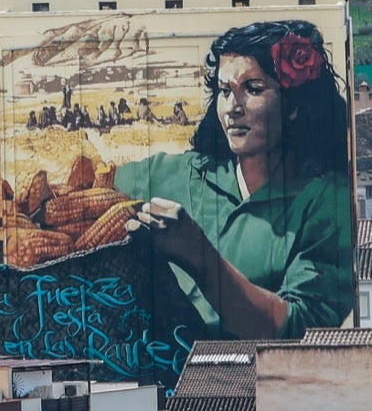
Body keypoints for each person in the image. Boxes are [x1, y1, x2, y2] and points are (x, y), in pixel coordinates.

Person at [114, 20, 352, 341]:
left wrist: (200, 257)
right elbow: (95, 188)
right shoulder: (181, 174)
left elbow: (300, 330)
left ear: (293, 106)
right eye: (225, 92)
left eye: (253, 89)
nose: (232, 108)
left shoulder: (326, 199)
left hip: (256, 384)